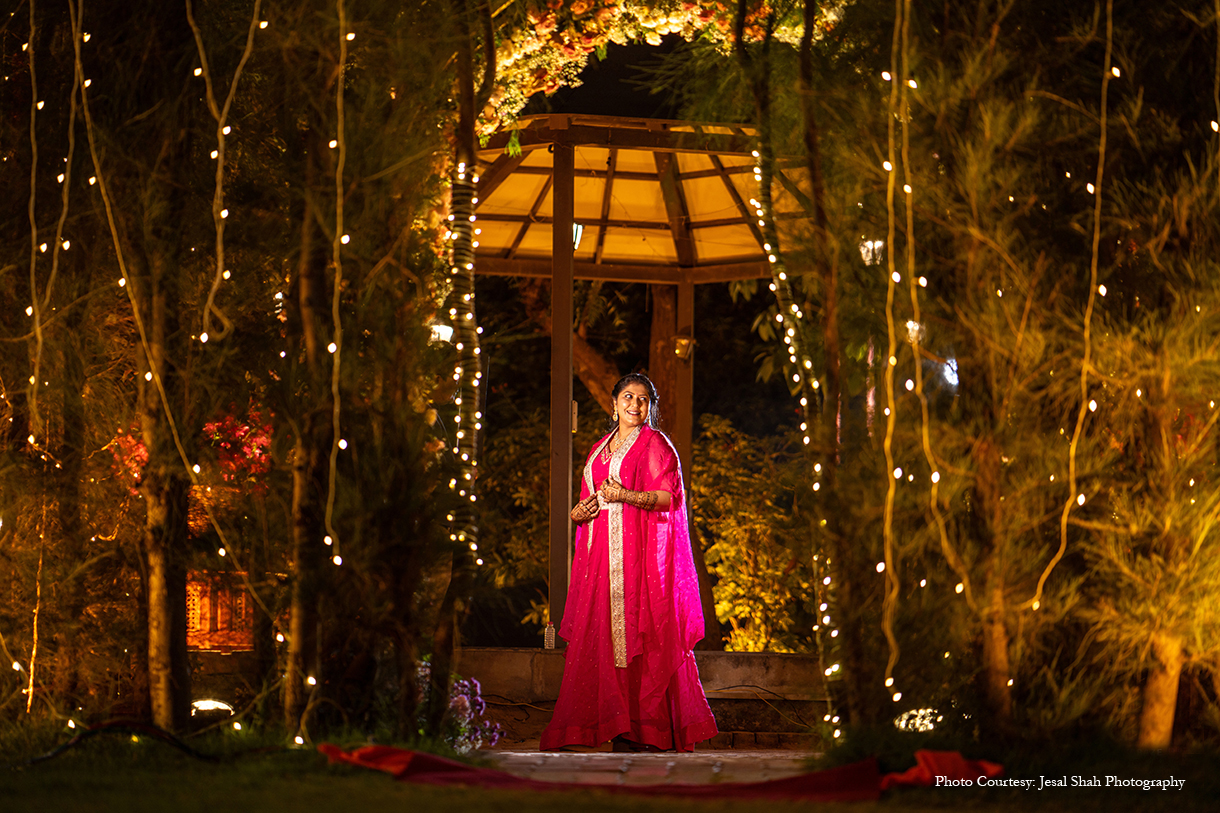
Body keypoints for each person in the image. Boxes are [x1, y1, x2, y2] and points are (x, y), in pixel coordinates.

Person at [540, 373, 718, 752]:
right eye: (627, 397)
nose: (634, 405)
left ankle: (646, 728)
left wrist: (626, 494)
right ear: (614, 403)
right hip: (602, 559)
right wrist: (580, 511)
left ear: (650, 406)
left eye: (642, 399)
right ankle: (613, 723)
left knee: (644, 633)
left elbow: (668, 498)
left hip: (639, 560)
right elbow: (593, 497)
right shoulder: (599, 447)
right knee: (604, 636)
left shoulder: (655, 444)